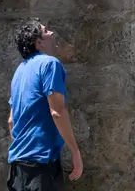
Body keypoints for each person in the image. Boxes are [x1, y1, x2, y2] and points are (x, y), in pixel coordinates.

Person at [7, 18, 84, 190]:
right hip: (41, 165)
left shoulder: (19, 71)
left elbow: (11, 121)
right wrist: (75, 151)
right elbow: (57, 112)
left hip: (17, 167)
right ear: (39, 42)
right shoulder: (50, 64)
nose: (52, 33)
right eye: (46, 31)